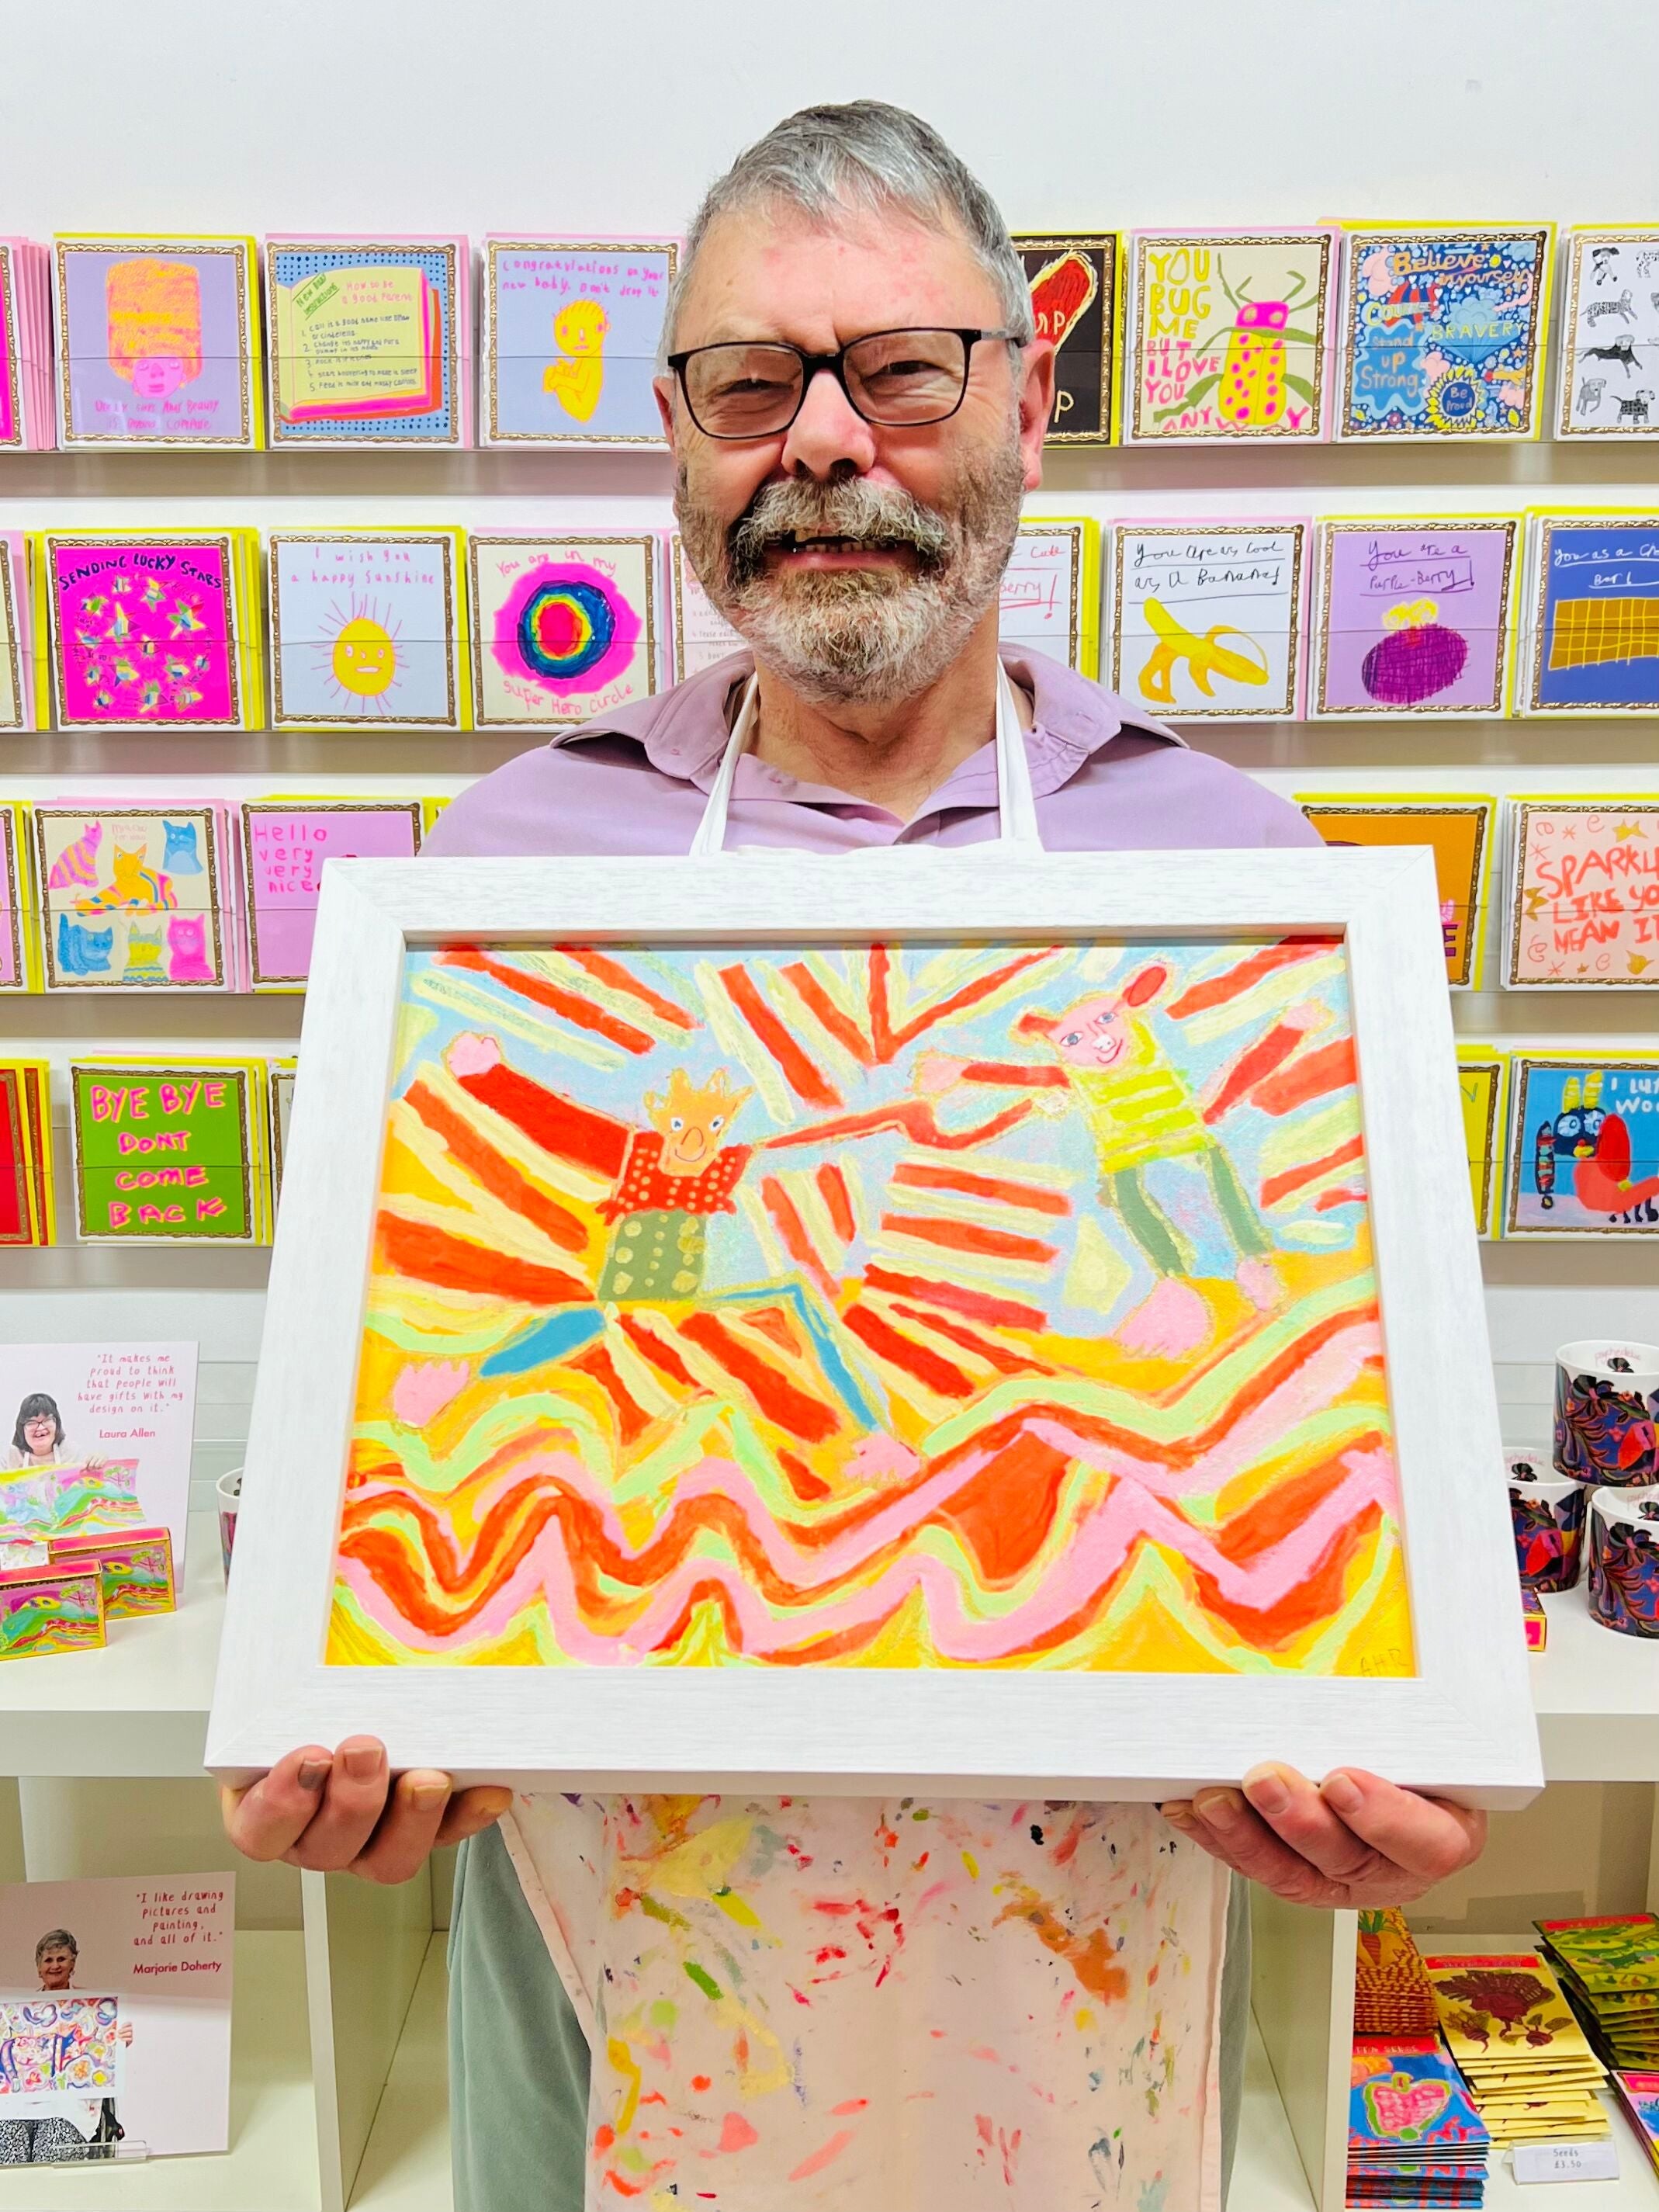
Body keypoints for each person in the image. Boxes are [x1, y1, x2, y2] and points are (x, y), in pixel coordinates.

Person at [223, 102, 1486, 2211]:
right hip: (607, 1966)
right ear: (677, 436)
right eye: (749, 382)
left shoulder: (1234, 887)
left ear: (1028, 404)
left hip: (1086, 1971)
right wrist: (338, 1684)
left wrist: (1402, 1727)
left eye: (901, 370)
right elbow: (490, 1387)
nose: (821, 440)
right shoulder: (509, 882)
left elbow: (1282, 1398)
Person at [0, 1927, 129, 2165]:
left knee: (55, 2138)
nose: (55, 1966)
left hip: (68, 2105)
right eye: (48, 1960)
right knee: (8, 2140)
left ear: (73, 1964)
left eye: (61, 1959)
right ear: (39, 1968)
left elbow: (101, 2054)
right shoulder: (14, 2013)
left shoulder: (93, 2008)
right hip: (16, 2104)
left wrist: (118, 2041)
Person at [4, 1393, 106, 1475]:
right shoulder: (11, 1458)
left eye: (47, 1420)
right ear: (21, 1429)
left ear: (57, 1424)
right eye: (31, 1422)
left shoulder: (72, 1453)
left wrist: (98, 1462)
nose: (40, 1428)